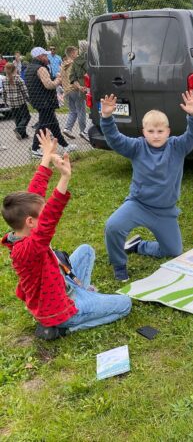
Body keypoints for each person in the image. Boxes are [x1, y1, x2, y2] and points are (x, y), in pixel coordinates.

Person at [1, 130, 132, 340]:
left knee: (86, 251)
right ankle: (64, 328)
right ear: (30, 222)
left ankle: (83, 293)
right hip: (58, 310)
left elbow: (35, 194)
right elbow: (49, 219)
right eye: (42, 212)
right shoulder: (27, 249)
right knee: (125, 304)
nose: (45, 211)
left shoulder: (22, 232)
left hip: (60, 284)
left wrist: (46, 158)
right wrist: (64, 177)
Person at [101, 92, 193, 281]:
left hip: (165, 211)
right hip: (138, 205)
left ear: (168, 132)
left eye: (160, 131)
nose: (156, 136)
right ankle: (119, 264)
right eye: (151, 131)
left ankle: (139, 246)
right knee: (113, 226)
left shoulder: (178, 146)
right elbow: (115, 139)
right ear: (143, 132)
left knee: (173, 251)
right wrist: (106, 118)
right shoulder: (137, 147)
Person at [25, 47, 76, 157]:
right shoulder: (41, 68)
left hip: (38, 100)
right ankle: (34, 149)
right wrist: (59, 79)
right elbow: (49, 85)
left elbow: (40, 82)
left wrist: (53, 77)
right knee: (43, 125)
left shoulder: (30, 67)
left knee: (53, 124)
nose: (47, 57)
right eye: (45, 55)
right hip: (45, 101)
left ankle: (65, 145)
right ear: (39, 56)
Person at [61, 46, 87, 140]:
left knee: (73, 111)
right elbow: (75, 77)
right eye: (76, 52)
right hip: (75, 89)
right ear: (72, 53)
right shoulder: (73, 64)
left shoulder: (63, 65)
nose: (78, 54)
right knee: (81, 111)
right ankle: (84, 131)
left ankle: (67, 129)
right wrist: (80, 86)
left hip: (67, 91)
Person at [2, 62, 31, 140]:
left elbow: (4, 92)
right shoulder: (18, 79)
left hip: (11, 102)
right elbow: (24, 91)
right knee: (27, 117)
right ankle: (19, 129)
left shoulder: (4, 80)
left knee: (17, 118)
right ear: (14, 69)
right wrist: (29, 100)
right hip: (20, 102)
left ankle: (23, 134)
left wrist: (5, 102)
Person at [68, 40, 89, 141]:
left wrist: (80, 87)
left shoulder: (75, 62)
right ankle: (85, 131)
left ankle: (84, 131)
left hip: (82, 89)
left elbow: (72, 78)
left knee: (81, 111)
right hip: (91, 87)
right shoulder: (89, 60)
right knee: (97, 110)